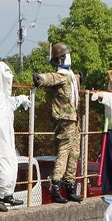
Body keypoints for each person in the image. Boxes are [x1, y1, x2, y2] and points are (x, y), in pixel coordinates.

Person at [33, 42, 81, 204]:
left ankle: (69, 185)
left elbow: (73, 80)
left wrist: (80, 76)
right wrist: (40, 78)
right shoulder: (61, 75)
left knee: (74, 152)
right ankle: (56, 186)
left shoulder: (71, 76)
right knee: (64, 151)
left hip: (74, 119)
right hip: (64, 120)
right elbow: (49, 78)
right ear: (61, 59)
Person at [0, 61, 30, 211]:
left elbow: (18, 100)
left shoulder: (8, 101)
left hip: (9, 147)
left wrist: (24, 99)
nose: (9, 82)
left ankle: (7, 195)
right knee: (5, 174)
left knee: (14, 171)